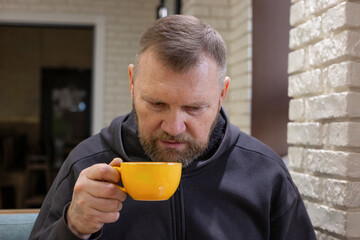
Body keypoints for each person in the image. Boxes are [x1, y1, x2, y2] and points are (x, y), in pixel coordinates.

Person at [29, 15, 316, 240]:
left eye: (194, 108)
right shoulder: (87, 163)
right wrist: (73, 228)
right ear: (132, 82)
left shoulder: (265, 172)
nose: (174, 127)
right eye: (156, 104)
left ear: (221, 94)